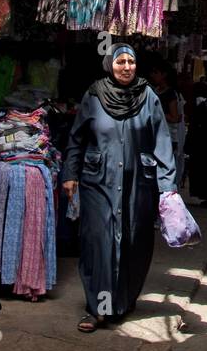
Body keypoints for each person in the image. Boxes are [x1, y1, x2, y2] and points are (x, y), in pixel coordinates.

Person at [62, 43, 176, 333]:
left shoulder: (147, 96)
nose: (126, 67)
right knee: (98, 242)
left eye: (131, 62)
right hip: (97, 181)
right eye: (120, 62)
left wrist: (168, 185)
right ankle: (97, 308)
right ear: (109, 65)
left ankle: (123, 301)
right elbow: (76, 137)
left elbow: (162, 140)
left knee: (134, 241)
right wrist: (70, 173)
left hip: (138, 182)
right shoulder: (94, 94)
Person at [149, 59, 186, 185]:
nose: (152, 75)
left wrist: (157, 113)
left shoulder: (170, 93)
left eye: (156, 72)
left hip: (168, 137)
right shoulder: (154, 91)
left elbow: (175, 117)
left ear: (164, 75)